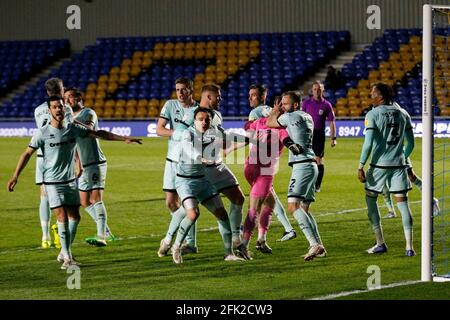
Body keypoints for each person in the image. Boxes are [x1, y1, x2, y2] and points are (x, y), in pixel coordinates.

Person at [7, 96, 142, 269]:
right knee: (62, 217)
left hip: (71, 181)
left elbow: (99, 134)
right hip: (52, 182)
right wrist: (15, 175)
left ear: (65, 109)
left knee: (75, 217)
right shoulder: (43, 133)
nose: (58, 110)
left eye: (61, 107)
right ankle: (68, 258)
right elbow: (27, 153)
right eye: (55, 107)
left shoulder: (72, 128)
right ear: (49, 111)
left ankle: (64, 252)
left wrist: (124, 139)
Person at [157, 84, 247, 258]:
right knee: (187, 209)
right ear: (210, 97)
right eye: (218, 96)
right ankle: (169, 241)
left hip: (210, 167)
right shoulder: (193, 115)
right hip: (188, 168)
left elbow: (220, 137)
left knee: (233, 201)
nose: (220, 99)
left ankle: (233, 243)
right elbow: (181, 135)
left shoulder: (214, 115)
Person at [357, 83, 416, 257]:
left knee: (371, 200)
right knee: (403, 204)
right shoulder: (403, 113)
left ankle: (380, 243)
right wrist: (402, 158)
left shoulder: (373, 114)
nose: (370, 94)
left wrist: (360, 165)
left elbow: (368, 144)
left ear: (381, 96)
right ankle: (409, 247)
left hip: (379, 166)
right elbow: (411, 143)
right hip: (398, 166)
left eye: (373, 92)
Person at [267, 91, 326, 261]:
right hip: (311, 163)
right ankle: (319, 246)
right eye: (282, 104)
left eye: (285, 104)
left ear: (294, 105)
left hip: (302, 166)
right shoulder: (307, 116)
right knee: (305, 209)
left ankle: (314, 244)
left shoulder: (289, 117)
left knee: (293, 206)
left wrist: (275, 110)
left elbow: (270, 123)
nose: (283, 106)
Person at [64, 87, 115, 246]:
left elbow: (90, 129)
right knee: (84, 201)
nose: (67, 101)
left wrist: (72, 122)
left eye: (70, 97)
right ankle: (106, 231)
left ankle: (101, 236)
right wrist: (78, 164)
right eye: (65, 98)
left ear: (79, 97)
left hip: (95, 162)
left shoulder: (88, 112)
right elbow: (75, 144)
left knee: (95, 198)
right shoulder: (69, 117)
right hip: (85, 165)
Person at [245, 84, 297, 242]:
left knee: (263, 201)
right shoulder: (273, 111)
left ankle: (251, 235)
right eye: (250, 94)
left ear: (262, 96)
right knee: (270, 198)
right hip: (269, 162)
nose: (250, 98)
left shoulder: (256, 113)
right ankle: (276, 231)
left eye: (253, 95)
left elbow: (251, 136)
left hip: (258, 163)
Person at [156, 77, 199, 252]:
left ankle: (190, 242)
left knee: (187, 203)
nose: (180, 93)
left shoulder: (198, 110)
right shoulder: (170, 105)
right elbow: (159, 129)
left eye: (184, 89)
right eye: (178, 89)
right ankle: (183, 236)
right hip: (171, 160)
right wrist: (178, 133)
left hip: (188, 162)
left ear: (191, 90)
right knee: (171, 202)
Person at [34, 77, 73, 249]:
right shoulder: (66, 108)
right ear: (60, 90)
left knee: (44, 196)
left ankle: (45, 236)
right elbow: (69, 129)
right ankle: (60, 227)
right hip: (58, 155)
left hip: (42, 156)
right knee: (63, 195)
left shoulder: (38, 110)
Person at [302, 81, 337, 193]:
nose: (317, 91)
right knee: (306, 159)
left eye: (319, 89)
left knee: (318, 159)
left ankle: (317, 185)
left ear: (323, 90)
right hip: (307, 134)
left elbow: (331, 122)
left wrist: (333, 138)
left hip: (319, 134)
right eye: (315, 89)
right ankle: (307, 182)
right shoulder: (306, 103)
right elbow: (301, 119)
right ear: (312, 90)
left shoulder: (327, 105)